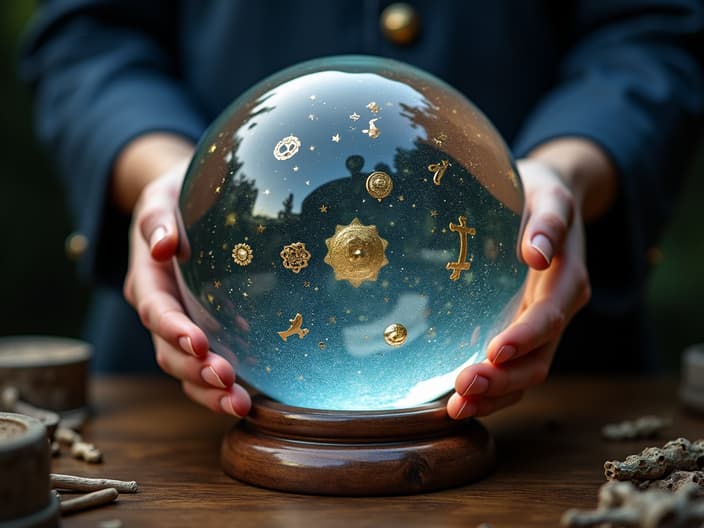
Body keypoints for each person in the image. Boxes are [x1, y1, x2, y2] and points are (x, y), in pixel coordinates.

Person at [18, 1, 704, 420]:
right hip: (182, 370)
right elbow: (89, 35)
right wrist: (166, 177)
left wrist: (565, 172)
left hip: (563, 390)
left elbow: (651, 30)